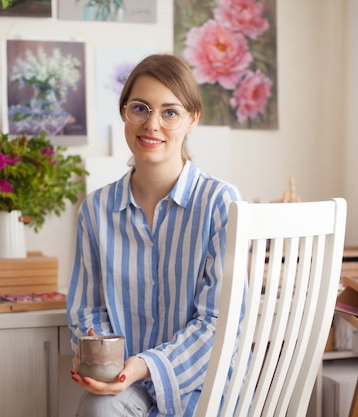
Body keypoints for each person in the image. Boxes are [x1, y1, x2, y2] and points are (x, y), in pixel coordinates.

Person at [67, 53, 242, 417]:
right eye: (140, 108)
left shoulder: (220, 202)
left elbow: (217, 324)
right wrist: (100, 357)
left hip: (203, 386)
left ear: (193, 119)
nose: (152, 125)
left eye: (170, 112)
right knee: (97, 409)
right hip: (125, 383)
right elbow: (87, 311)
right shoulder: (95, 210)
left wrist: (143, 365)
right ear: (124, 113)